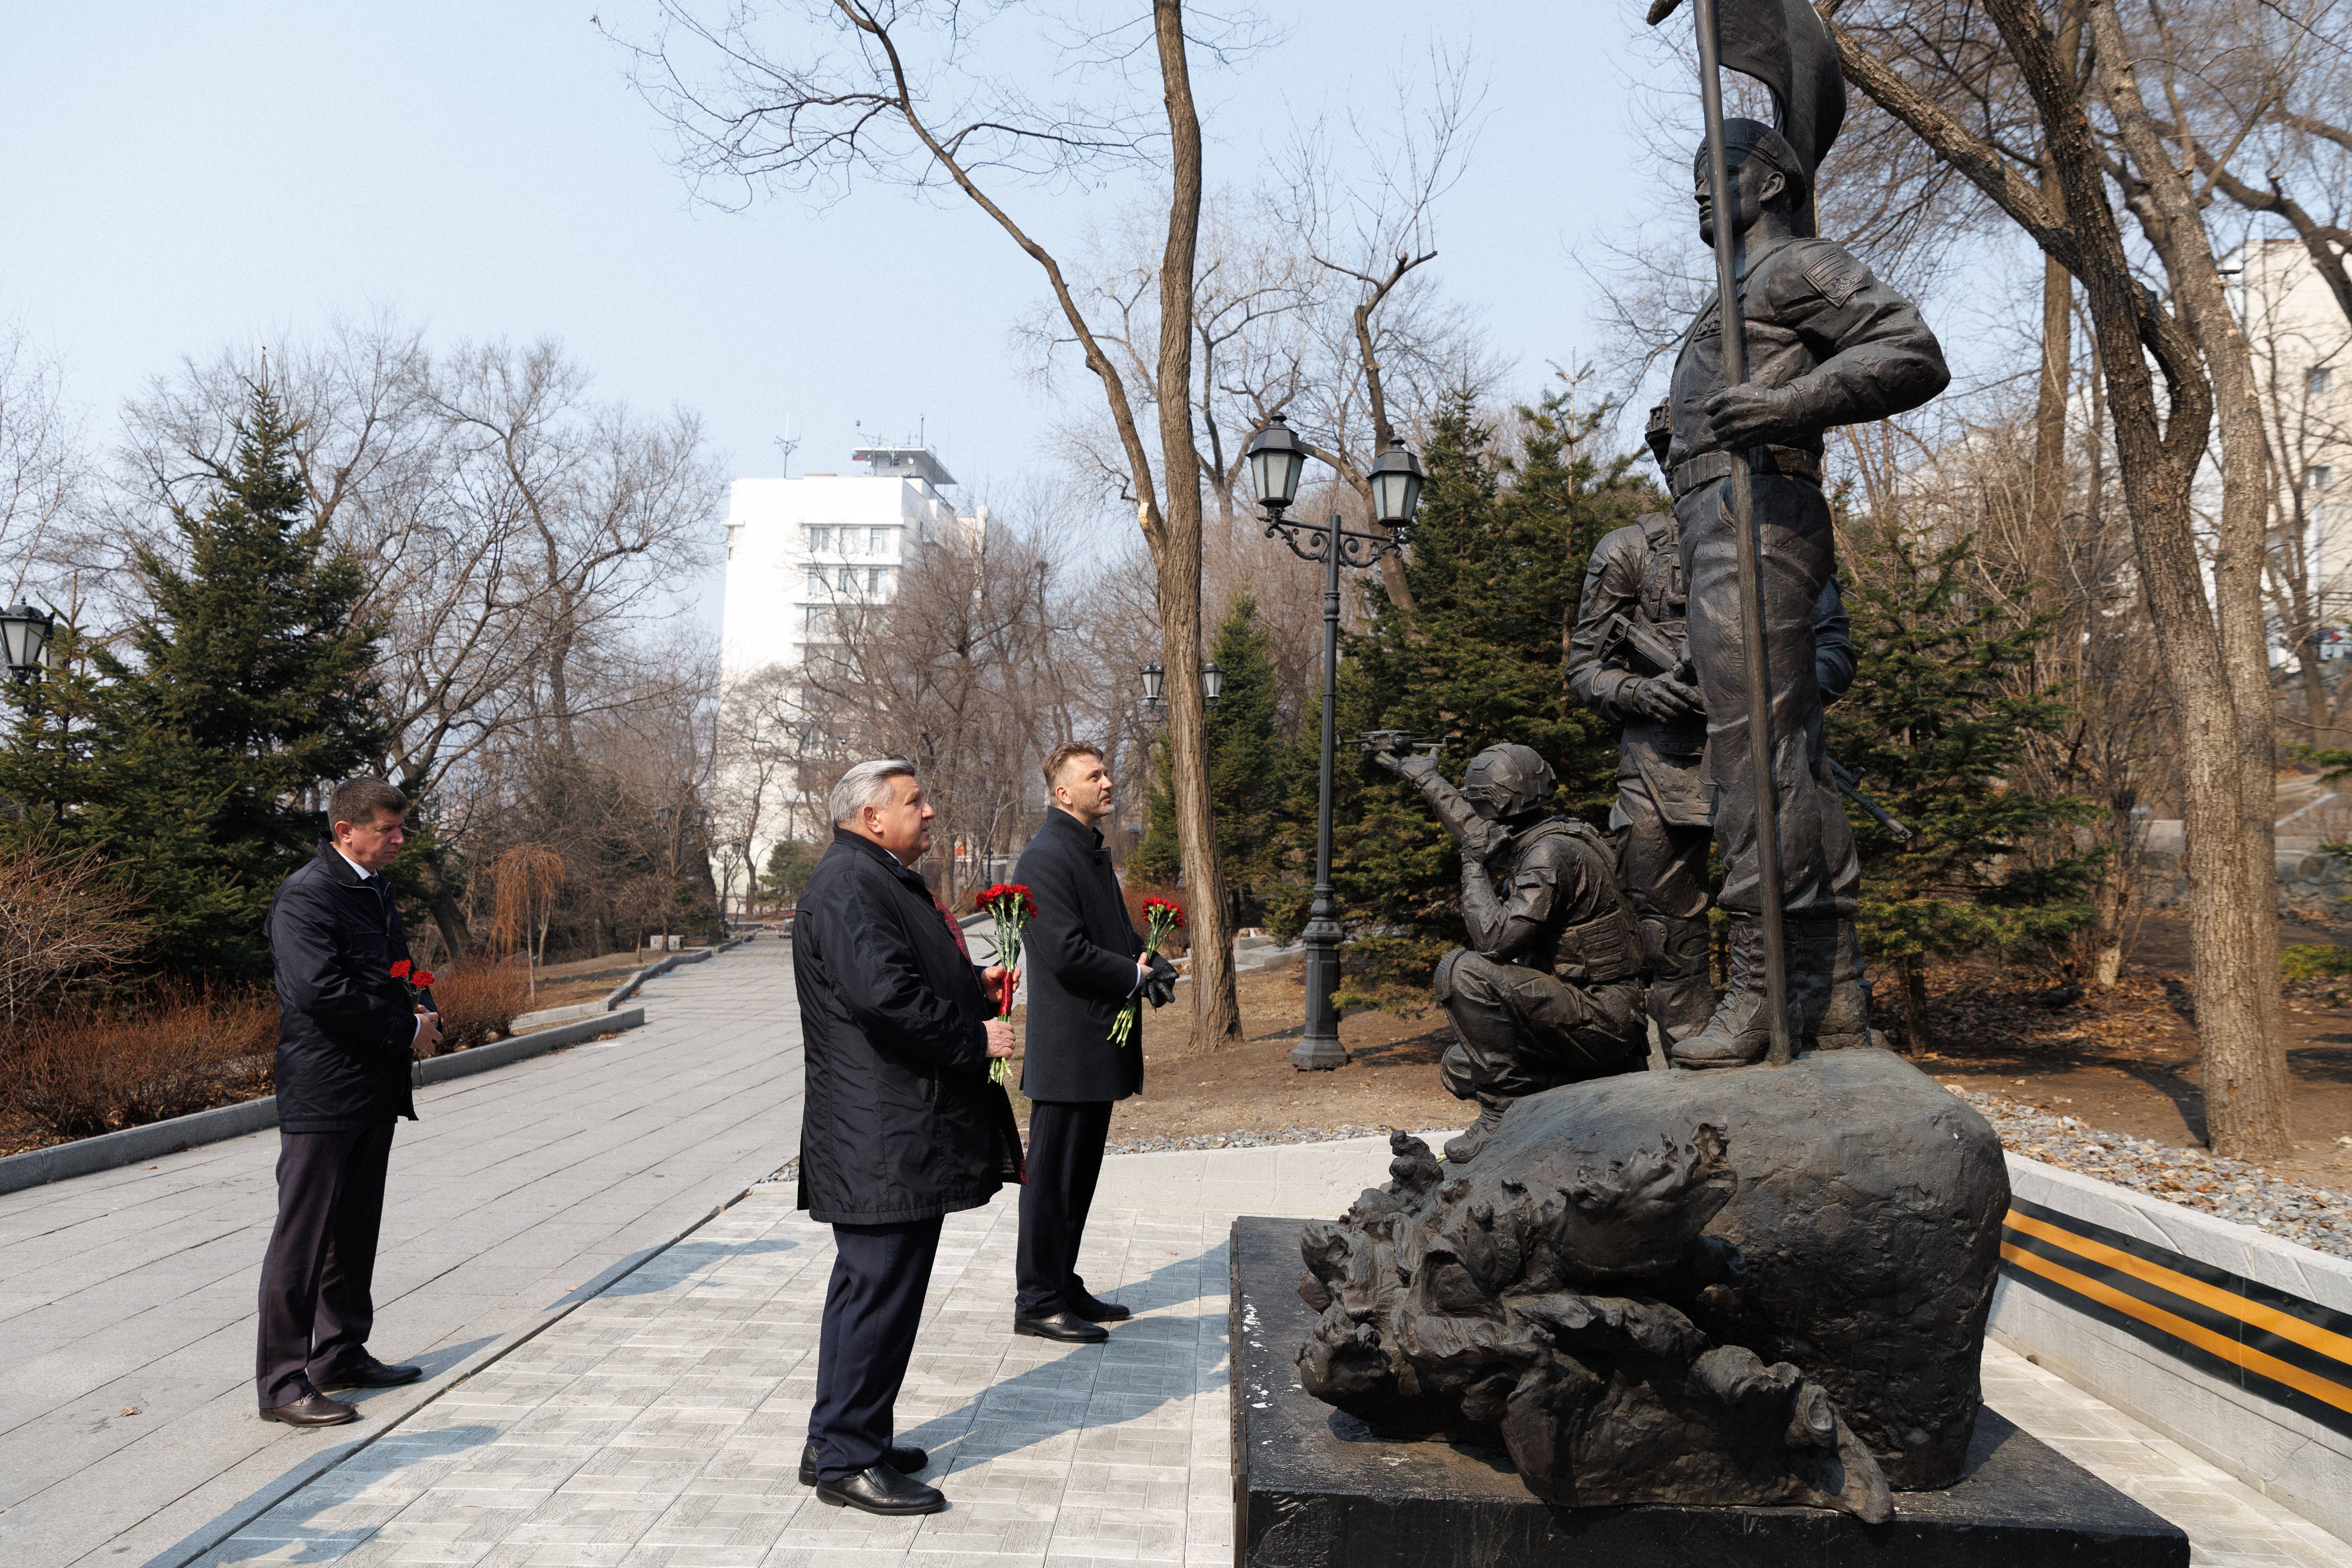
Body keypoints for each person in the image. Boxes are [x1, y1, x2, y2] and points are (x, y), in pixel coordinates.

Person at [1663, 118, 1948, 1067]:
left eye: (1720, 170)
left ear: (1773, 183)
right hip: (1718, 517)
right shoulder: (1736, 289)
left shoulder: (1795, 268)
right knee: (1785, 754)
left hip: (1756, 515)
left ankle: (1761, 988)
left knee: (1752, 755)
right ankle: (1831, 995)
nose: (1700, 188)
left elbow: (1912, 351)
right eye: (1694, 174)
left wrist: (1787, 405)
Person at [1566, 401, 1857, 1049]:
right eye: (1672, 453)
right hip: (1656, 770)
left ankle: (1804, 1036)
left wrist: (1769, 690)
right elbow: (1585, 667)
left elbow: (1835, 650)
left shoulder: (1782, 537)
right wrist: (1643, 691)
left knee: (1795, 901)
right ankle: (1685, 1055)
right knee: (1664, 927)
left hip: (1762, 758)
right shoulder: (1627, 551)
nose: (1683, 464)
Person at [792, 758, 1020, 1516]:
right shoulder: (851, 883)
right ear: (871, 816)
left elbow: (899, 975)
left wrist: (971, 986)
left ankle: (837, 1437)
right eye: (914, 801)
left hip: (889, 1125)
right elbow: (884, 997)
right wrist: (974, 1036)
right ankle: (849, 1460)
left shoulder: (873, 876)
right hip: (881, 1131)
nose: (929, 812)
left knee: (869, 1288)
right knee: (878, 1292)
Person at [255, 778, 438, 1427]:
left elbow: (399, 967)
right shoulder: (308, 895)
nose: (400, 839)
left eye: (401, 827)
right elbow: (319, 991)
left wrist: (424, 1004)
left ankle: (340, 1352)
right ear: (346, 832)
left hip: (371, 1087)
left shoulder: (373, 887)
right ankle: (282, 1384)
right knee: (302, 1240)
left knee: (354, 1231)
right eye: (388, 829)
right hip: (323, 1090)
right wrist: (404, 1029)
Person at [1374, 743, 1647, 1162]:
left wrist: (1472, 867)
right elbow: (1477, 831)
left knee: (1462, 970)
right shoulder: (1556, 833)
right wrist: (1427, 778)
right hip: (1588, 1013)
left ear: (1496, 803)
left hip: (1603, 1019)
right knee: (1460, 1065)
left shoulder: (1549, 854)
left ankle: (1503, 1113)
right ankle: (1559, 1092)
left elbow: (1494, 942)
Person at [1010, 743, 1174, 1342]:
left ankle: (1061, 1281)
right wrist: (1133, 974)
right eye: (1094, 776)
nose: (1107, 782)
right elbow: (1065, 951)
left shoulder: (1088, 851)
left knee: (1077, 1180)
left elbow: (1114, 934)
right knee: (1052, 1182)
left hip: (1095, 1044)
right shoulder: (1044, 859)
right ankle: (1037, 1300)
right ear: (1063, 793)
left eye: (1106, 772)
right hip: (1067, 1050)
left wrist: (1151, 962)